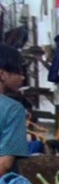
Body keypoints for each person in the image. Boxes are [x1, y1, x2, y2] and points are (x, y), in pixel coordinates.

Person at [0, 45, 29, 175]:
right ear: (2, 74)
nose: (22, 78)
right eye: (18, 72)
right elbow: (5, 163)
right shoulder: (13, 110)